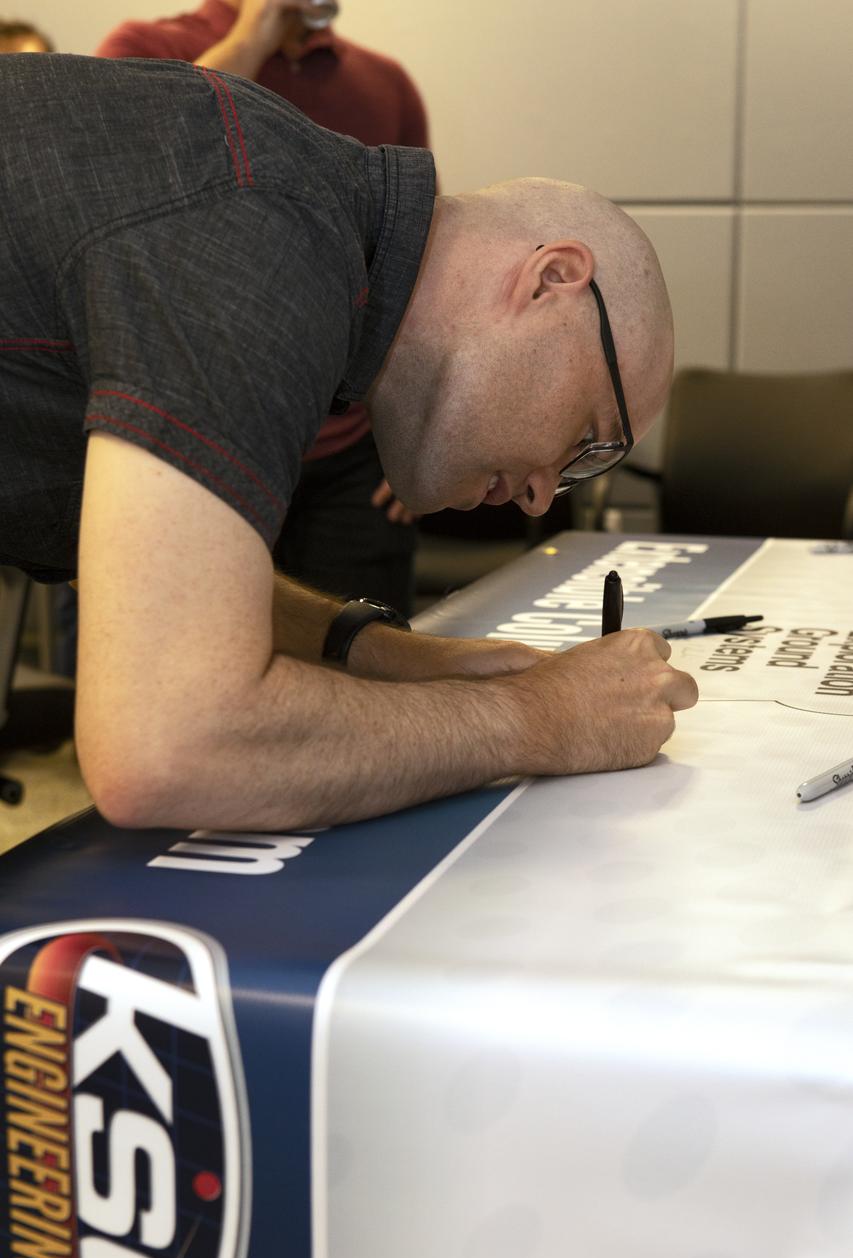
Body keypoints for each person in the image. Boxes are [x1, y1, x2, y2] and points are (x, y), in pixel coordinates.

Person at [0, 53, 698, 833]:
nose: (542, 491)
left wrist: (391, 656)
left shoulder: (285, 219)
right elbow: (171, 746)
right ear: (550, 279)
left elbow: (144, 572)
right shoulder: (261, 238)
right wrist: (539, 717)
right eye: (586, 437)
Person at [96, 0, 430, 616]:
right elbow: (130, 179)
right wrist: (253, 34)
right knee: (195, 677)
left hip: (350, 464)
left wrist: (414, 439)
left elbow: (415, 270)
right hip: (197, 446)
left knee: (366, 672)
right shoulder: (141, 49)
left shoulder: (385, 84)